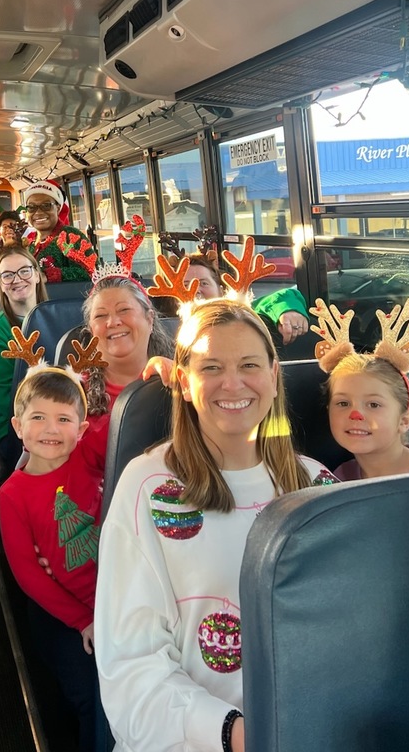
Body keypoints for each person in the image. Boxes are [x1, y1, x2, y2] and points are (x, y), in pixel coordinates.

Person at [94, 300, 333, 752]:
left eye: (249, 365)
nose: (233, 383)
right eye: (211, 367)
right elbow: (132, 663)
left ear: (272, 376)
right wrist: (238, 734)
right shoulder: (149, 488)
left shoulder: (317, 485)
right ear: (183, 382)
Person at [0, 365, 107, 752]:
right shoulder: (12, 494)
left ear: (80, 430)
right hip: (62, 614)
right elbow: (29, 575)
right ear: (18, 427)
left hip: (111, 600)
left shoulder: (87, 459)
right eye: (38, 418)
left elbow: (118, 421)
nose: (50, 429)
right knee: (88, 696)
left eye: (64, 420)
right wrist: (82, 621)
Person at [313, 297, 409, 480]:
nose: (355, 414)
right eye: (343, 403)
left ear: (404, 421)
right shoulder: (338, 478)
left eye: (374, 404)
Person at [0, 245, 48, 467]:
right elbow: (7, 398)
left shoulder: (61, 317)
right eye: (7, 275)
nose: (17, 280)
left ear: (37, 275)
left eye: (24, 271)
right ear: (0, 283)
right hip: (18, 426)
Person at [79, 271, 175, 419]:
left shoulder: (184, 377)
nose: (113, 322)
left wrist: (179, 379)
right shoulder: (73, 390)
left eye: (124, 310)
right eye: (101, 316)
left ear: (149, 319)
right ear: (91, 330)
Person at [183, 249, 311, 346]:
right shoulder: (167, 331)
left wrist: (286, 310)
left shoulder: (239, 316)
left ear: (221, 291)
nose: (195, 291)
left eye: (203, 283)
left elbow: (280, 298)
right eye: (186, 285)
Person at [24, 180, 97, 283]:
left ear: (58, 208)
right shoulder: (29, 241)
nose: (38, 212)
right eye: (31, 207)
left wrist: (47, 275)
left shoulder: (70, 236)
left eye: (46, 205)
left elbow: (91, 271)